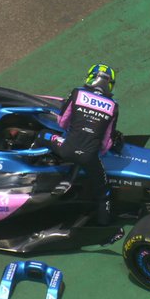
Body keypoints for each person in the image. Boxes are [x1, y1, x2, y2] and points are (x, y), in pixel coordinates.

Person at [55, 63, 119, 225]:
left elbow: (62, 122)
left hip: (65, 149)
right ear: (110, 84)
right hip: (90, 157)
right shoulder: (113, 106)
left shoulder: (77, 93)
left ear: (91, 77)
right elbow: (106, 143)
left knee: (42, 135)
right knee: (103, 191)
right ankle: (104, 223)